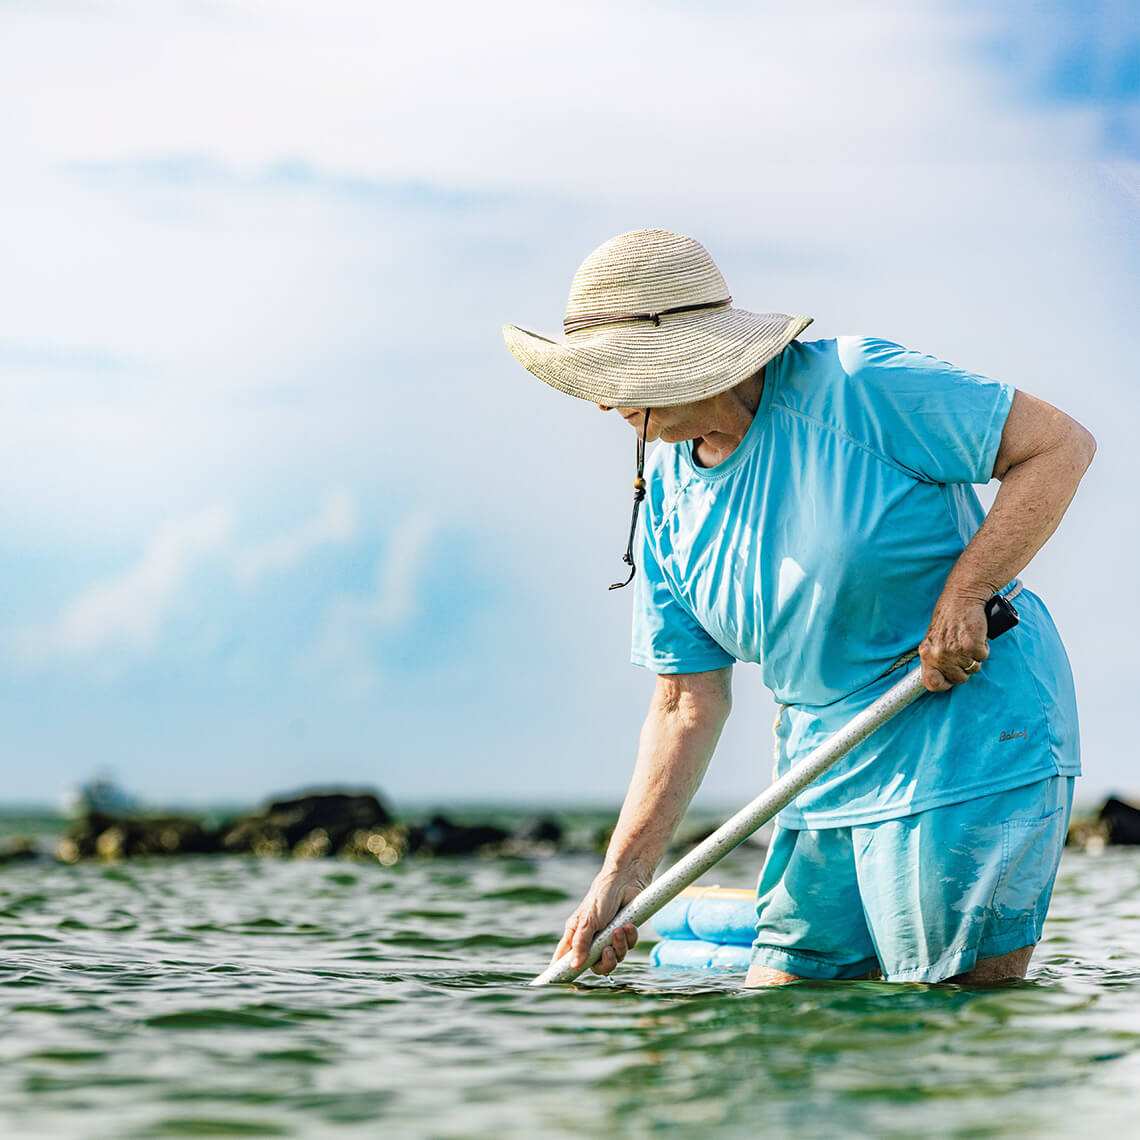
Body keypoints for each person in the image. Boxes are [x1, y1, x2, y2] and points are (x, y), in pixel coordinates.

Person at [502, 229, 1095, 985]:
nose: (601, 398)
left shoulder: (859, 385)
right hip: (822, 767)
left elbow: (1059, 447)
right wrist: (624, 878)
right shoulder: (665, 495)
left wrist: (968, 590)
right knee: (785, 1018)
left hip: (969, 733)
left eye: (617, 372)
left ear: (690, 356)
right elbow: (685, 702)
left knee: (945, 1029)